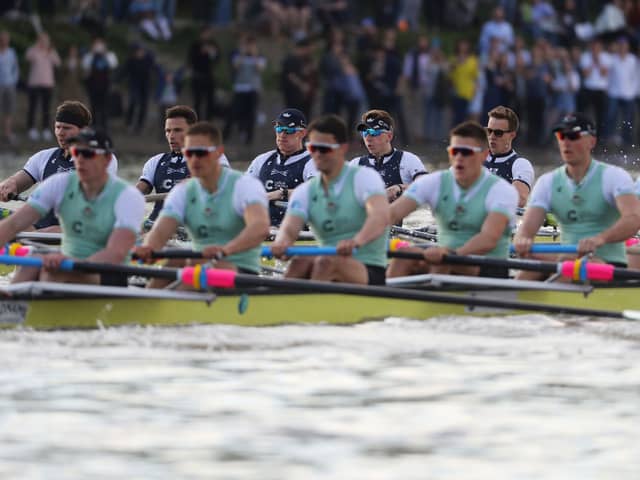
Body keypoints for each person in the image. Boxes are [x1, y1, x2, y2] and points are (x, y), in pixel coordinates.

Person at [0, 128, 144, 285]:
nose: (80, 159)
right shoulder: (59, 184)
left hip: (108, 272)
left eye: (88, 154)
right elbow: (14, 224)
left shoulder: (128, 196)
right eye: (76, 152)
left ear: (107, 159)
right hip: (68, 263)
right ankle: (10, 304)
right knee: (32, 260)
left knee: (53, 273)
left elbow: (116, 253)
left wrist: (68, 261)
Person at [134, 122, 270, 287]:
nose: (194, 159)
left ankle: (170, 303)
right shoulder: (183, 191)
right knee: (178, 260)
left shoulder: (244, 185)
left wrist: (224, 250)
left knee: (196, 262)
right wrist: (148, 248)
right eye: (189, 153)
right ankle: (148, 301)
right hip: (199, 265)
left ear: (219, 152)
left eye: (201, 153)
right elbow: (161, 231)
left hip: (239, 270)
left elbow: (260, 227)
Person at [514, 113, 640, 279]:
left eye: (573, 136)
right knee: (529, 269)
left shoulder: (613, 177)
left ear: (592, 141)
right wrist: (522, 240)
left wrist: (599, 239)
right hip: (567, 259)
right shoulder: (547, 182)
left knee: (572, 267)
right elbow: (525, 230)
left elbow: (633, 219)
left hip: (607, 263)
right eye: (562, 136)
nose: (566, 142)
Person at [387, 121, 518, 278]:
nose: (459, 158)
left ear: (484, 155)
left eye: (466, 152)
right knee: (403, 254)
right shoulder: (435, 182)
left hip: (488, 267)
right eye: (454, 151)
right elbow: (391, 214)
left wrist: (450, 254)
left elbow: (489, 239)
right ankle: (380, 299)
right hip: (445, 259)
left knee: (441, 263)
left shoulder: (501, 190)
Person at [271, 114, 390, 285]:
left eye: (324, 149)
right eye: (313, 148)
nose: (318, 154)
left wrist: (357, 241)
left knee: (325, 261)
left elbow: (380, 217)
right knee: (299, 261)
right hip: (326, 263)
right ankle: (281, 303)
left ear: (342, 148)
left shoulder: (364, 178)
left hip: (368, 268)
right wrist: (281, 242)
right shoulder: (305, 191)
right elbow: (290, 228)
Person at [0, 100, 118, 230]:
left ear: (84, 131)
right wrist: (10, 184)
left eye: (67, 128)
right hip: (36, 230)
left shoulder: (103, 158)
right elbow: (18, 181)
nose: (60, 133)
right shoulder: (44, 157)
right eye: (58, 127)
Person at [136, 105, 230, 222]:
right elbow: (137, 192)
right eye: (168, 131)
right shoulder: (155, 162)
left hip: (195, 229)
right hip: (157, 226)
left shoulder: (213, 157)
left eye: (177, 130)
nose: (171, 136)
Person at [246, 108, 316, 226]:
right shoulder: (262, 160)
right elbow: (242, 191)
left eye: (289, 130)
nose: (282, 135)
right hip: (263, 229)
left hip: (297, 232)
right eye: (279, 129)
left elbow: (316, 193)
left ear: (302, 133)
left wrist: (281, 193)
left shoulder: (312, 162)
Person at [349, 109, 427, 203]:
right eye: (365, 133)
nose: (368, 138)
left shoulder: (407, 160)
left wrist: (399, 188)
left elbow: (426, 186)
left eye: (374, 133)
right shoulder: (355, 164)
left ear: (389, 136)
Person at [483, 105, 534, 207]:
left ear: (512, 135)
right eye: (489, 131)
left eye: (498, 133)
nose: (492, 137)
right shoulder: (473, 158)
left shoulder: (520, 164)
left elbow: (519, 199)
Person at [0, 30, 19, 144]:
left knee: (9, 109)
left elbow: (15, 67)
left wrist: (13, 80)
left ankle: (7, 133)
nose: (4, 41)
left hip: (9, 84)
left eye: (6, 39)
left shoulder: (11, 52)